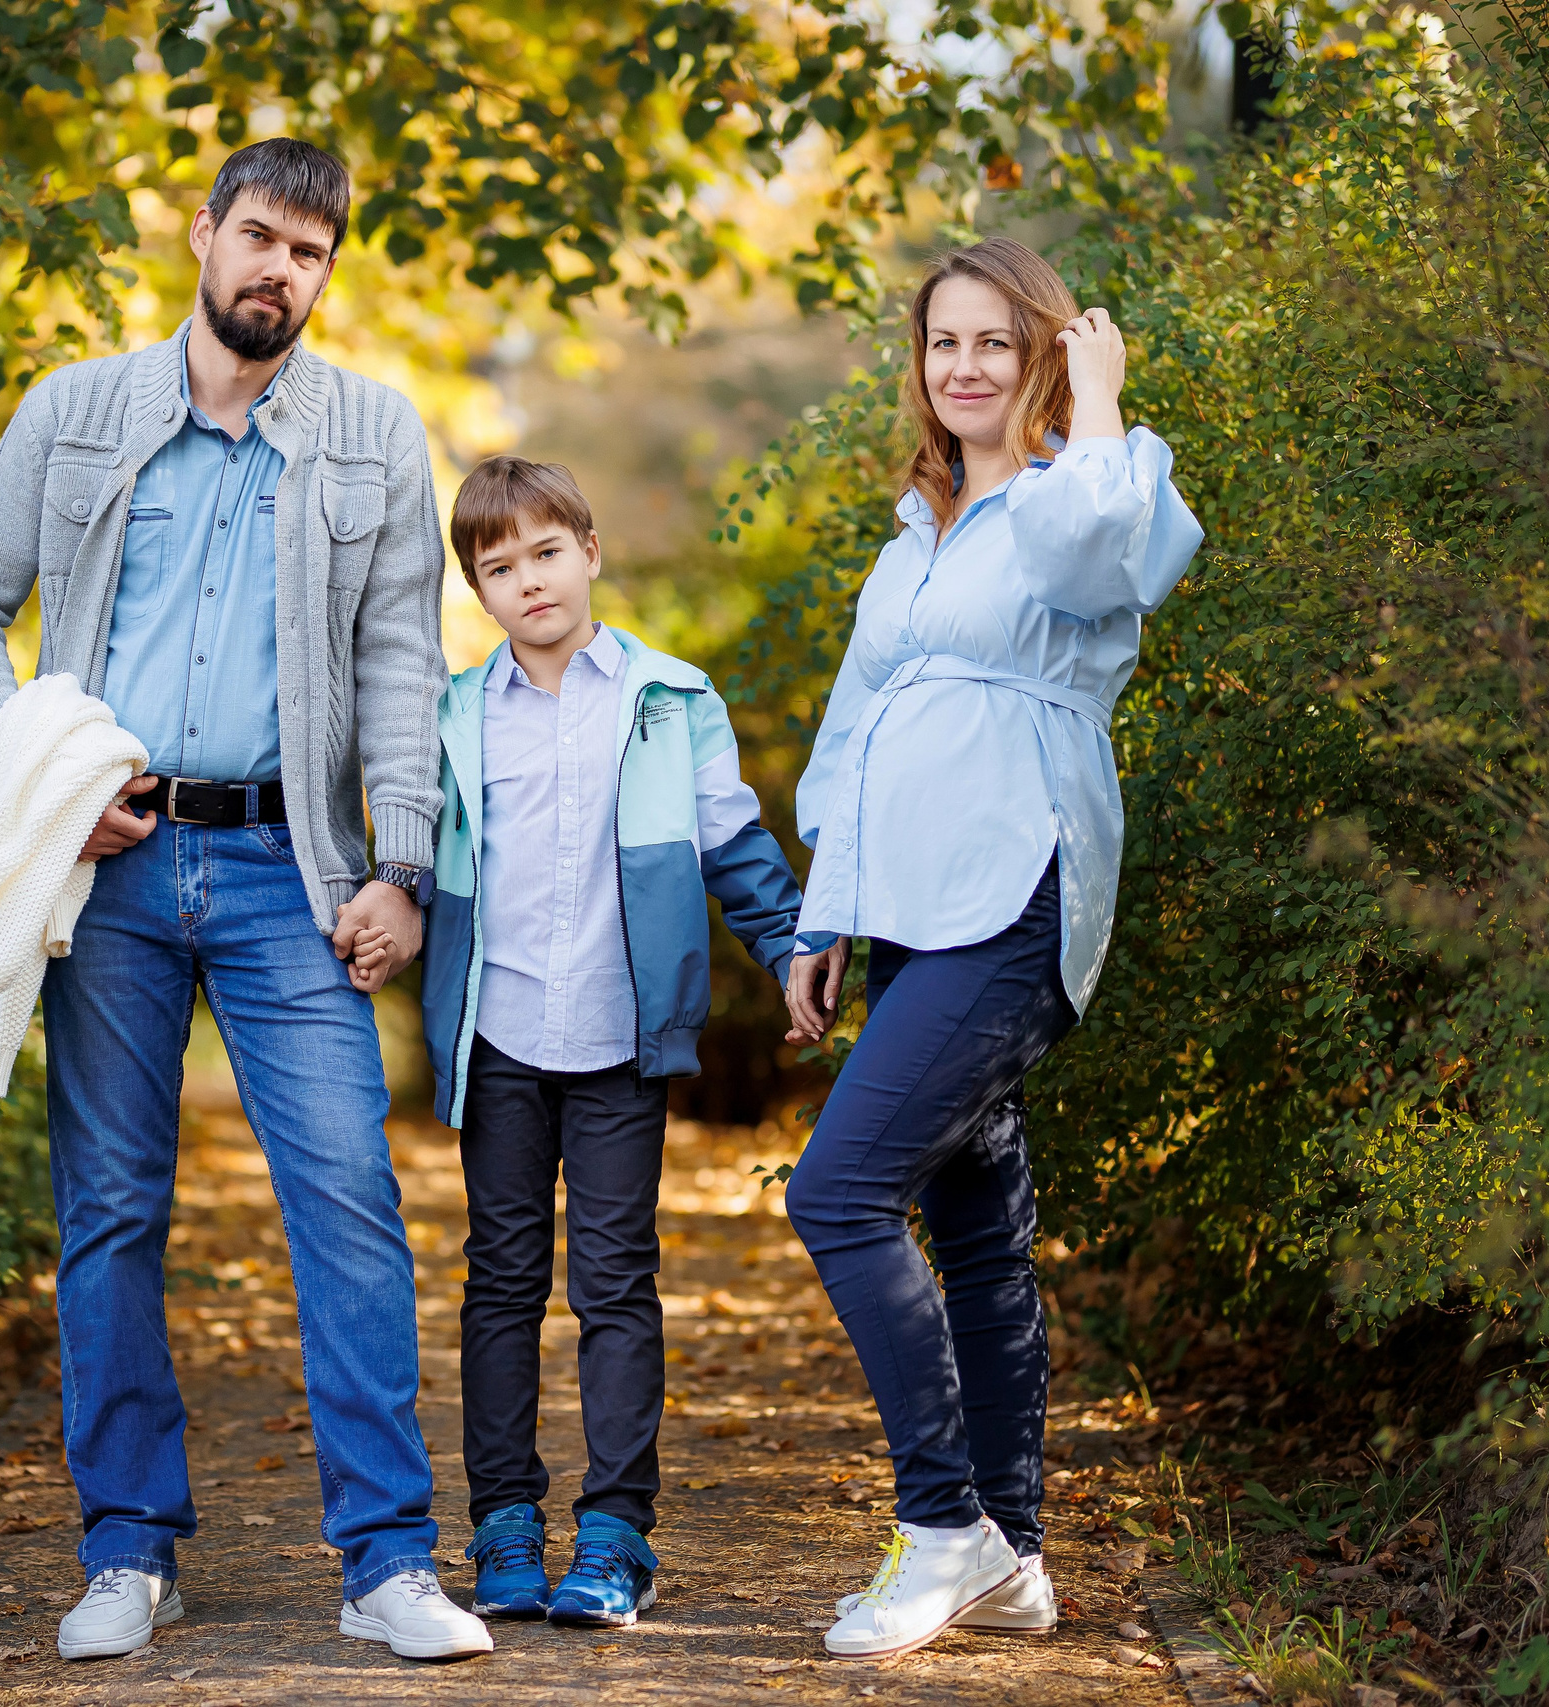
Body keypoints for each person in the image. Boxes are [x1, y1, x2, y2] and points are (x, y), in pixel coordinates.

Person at [0, 138, 492, 1663]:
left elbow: (397, 667)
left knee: (350, 1204)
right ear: (202, 234)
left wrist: (404, 861)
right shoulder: (79, 408)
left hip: (283, 870)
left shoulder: (375, 437)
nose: (277, 273)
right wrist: (41, 770)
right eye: (257, 238)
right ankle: (128, 1546)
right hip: (102, 865)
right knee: (110, 1209)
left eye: (308, 253)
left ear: (327, 269)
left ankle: (384, 1562)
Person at [778, 237, 1204, 1659]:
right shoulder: (919, 530)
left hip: (1018, 888)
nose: (963, 368)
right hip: (905, 900)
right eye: (942, 344)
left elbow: (1100, 559)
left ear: (1040, 356)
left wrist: (1097, 395)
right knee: (975, 1231)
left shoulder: (1095, 485)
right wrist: (823, 909)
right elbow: (850, 724)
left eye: (995, 345)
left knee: (838, 1190)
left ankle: (943, 1518)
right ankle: (1014, 1550)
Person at [366, 456, 801, 1630]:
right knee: (500, 1286)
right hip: (499, 1037)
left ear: (591, 552)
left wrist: (791, 946)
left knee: (616, 1285)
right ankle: (503, 1527)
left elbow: (734, 846)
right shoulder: (453, 714)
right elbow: (406, 849)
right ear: (479, 591)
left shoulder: (670, 701)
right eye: (498, 568)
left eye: (546, 553)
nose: (528, 581)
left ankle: (616, 1537)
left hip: (618, 1040)